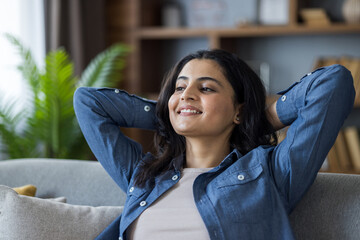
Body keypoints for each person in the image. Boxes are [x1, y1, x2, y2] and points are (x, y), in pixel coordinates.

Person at [74, 49, 355, 240]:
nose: (187, 94)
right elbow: (88, 102)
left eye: (206, 88)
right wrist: (172, 114)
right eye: (180, 88)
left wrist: (256, 120)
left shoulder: (269, 175)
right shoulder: (145, 176)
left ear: (238, 111)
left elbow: (333, 83)